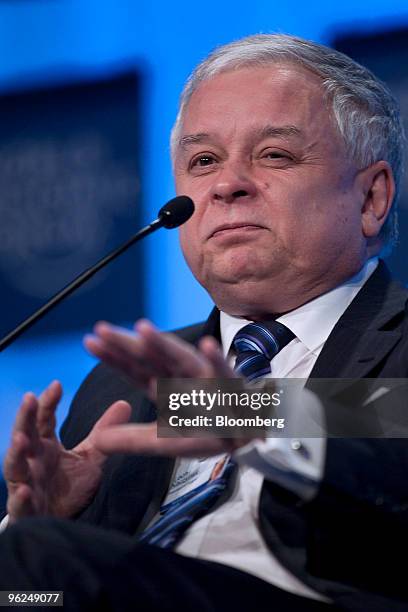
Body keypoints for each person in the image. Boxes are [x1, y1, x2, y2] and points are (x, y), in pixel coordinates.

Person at [2, 33, 408, 612]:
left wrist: (247, 417)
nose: (226, 184)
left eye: (275, 155)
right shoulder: (122, 384)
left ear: (371, 199)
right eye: (203, 161)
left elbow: (390, 425)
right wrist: (31, 525)